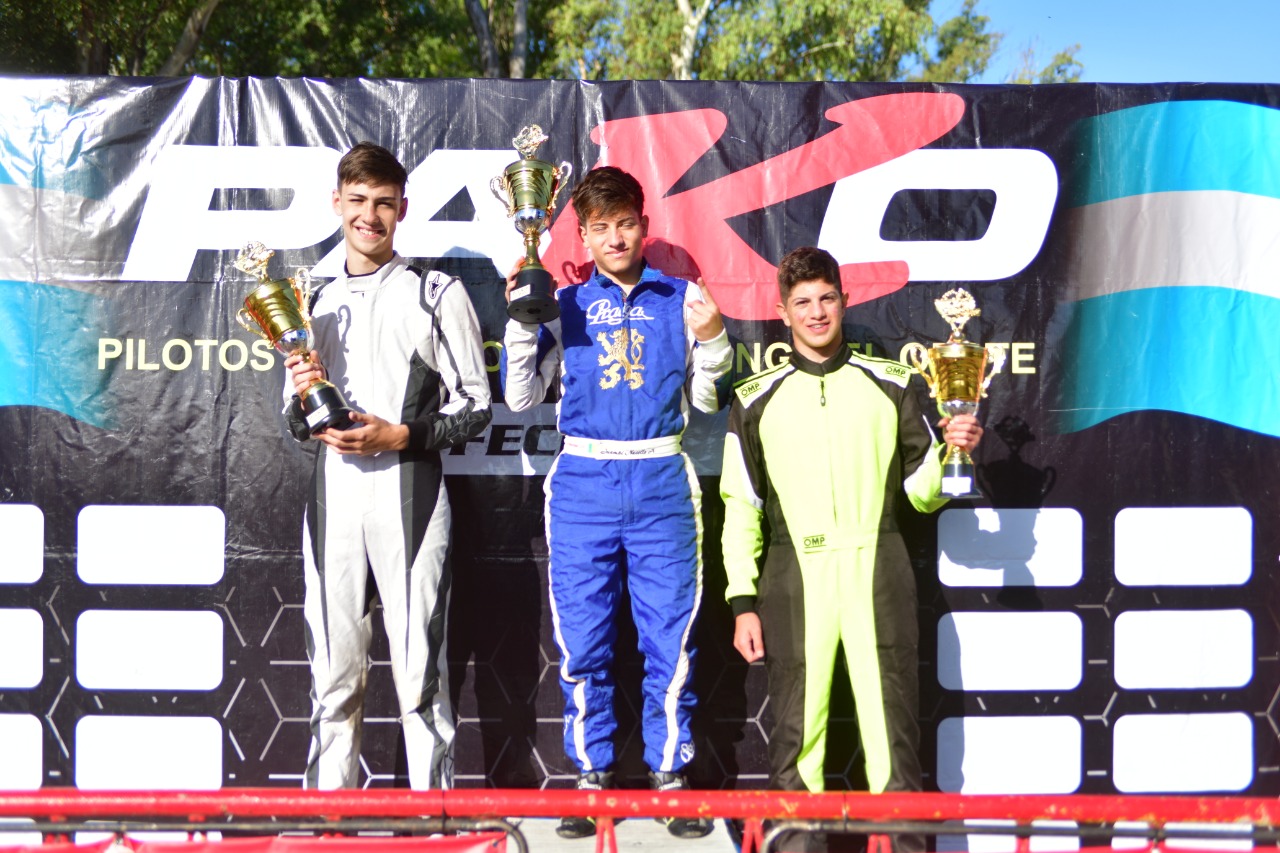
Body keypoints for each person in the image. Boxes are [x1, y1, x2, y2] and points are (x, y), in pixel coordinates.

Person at [720, 247, 983, 851]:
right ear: (782, 312)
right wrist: (741, 602)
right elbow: (741, 507)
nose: (816, 312)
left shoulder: (892, 384)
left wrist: (954, 451)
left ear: (845, 301)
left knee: (894, 743)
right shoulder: (754, 398)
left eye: (826, 299)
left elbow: (922, 496)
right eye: (802, 302)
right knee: (797, 745)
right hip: (794, 574)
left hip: (878, 563)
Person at [502, 165, 732, 839]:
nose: (615, 238)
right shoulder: (564, 303)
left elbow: (709, 401)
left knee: (672, 639)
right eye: (599, 228)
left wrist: (715, 340)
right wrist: (521, 320)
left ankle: (670, 776)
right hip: (584, 481)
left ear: (644, 225)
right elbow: (519, 395)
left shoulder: (681, 297)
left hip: (661, 477)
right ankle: (591, 776)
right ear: (582, 235)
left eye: (625, 223)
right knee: (583, 641)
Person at [282, 142, 492, 790]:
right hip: (335, 504)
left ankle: (433, 820)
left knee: (419, 677)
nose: (368, 215)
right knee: (333, 680)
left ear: (402, 208)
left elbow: (476, 406)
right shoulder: (309, 302)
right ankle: (328, 824)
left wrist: (401, 434)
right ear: (336, 203)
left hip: (411, 497)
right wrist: (303, 395)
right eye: (357, 200)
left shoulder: (436, 291)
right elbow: (295, 422)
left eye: (382, 202)